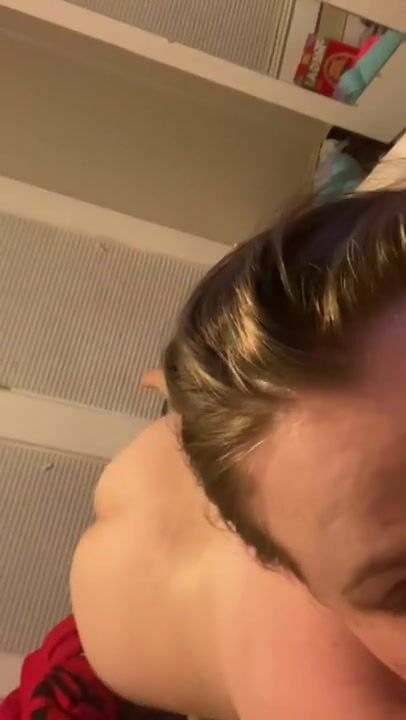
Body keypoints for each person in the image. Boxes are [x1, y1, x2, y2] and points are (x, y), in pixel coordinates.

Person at [70, 189, 406, 719]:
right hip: (121, 607)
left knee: (253, 422)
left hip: (163, 481)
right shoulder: (331, 704)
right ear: (303, 585)